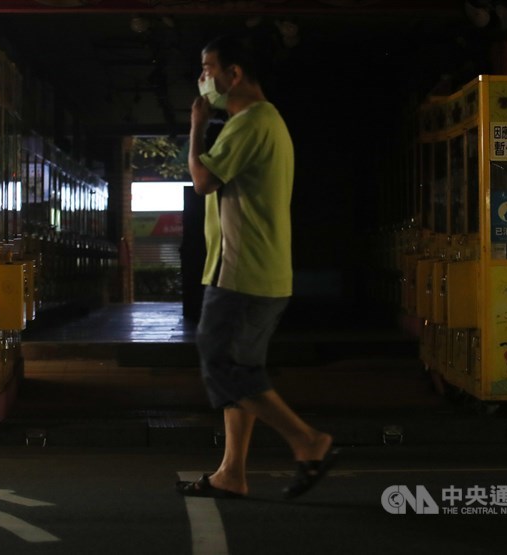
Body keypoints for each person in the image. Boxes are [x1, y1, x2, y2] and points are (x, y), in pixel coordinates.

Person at [176, 35, 338, 500]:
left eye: (208, 68)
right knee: (240, 368)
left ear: (235, 74)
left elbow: (203, 180)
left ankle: (309, 441)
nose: (202, 79)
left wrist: (196, 127)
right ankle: (232, 472)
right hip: (261, 270)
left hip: (241, 270)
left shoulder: (250, 122)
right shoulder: (267, 121)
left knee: (219, 361)